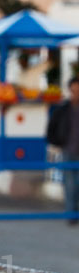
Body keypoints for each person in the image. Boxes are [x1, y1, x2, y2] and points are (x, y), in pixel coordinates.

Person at [46, 76, 79, 225]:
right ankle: (71, 214)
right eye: (74, 90)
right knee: (70, 183)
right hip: (68, 150)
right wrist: (57, 141)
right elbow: (51, 129)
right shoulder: (63, 109)